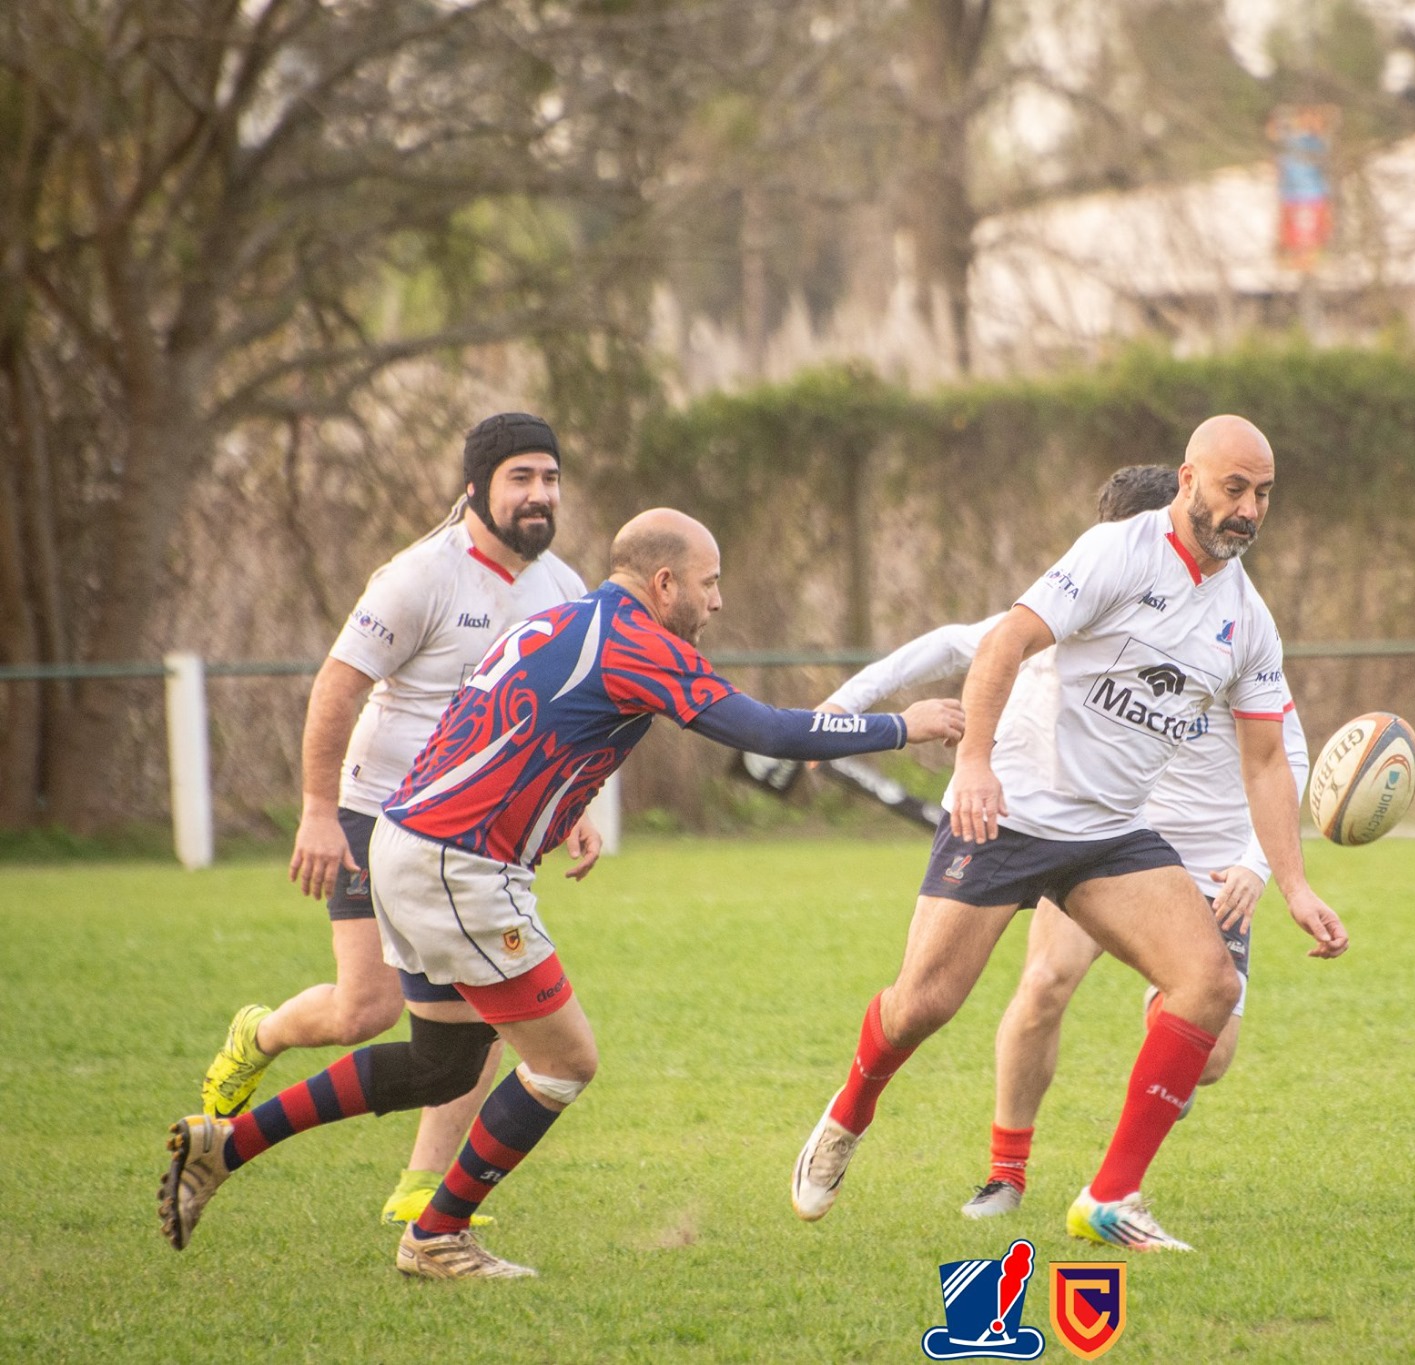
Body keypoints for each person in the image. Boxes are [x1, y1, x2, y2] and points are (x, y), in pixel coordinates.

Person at [159, 509, 966, 1279]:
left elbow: (511, 725)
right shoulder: (636, 641)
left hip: (409, 843)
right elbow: (771, 732)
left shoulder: (562, 619)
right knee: (564, 1060)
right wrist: (906, 724)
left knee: (442, 1064)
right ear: (663, 582)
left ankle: (225, 1145)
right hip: (458, 865)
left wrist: (562, 807)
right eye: (709, 582)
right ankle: (437, 1235)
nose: (718, 600)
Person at [790, 416, 1348, 1253]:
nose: (1249, 510)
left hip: (1113, 834)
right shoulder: (1118, 552)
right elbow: (1005, 638)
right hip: (1010, 810)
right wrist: (974, 762)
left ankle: (1110, 1196)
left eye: (1264, 494)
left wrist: (1289, 881)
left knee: (1208, 985)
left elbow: (1270, 758)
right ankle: (850, 1109)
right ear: (1190, 480)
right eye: (1235, 489)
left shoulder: (1247, 618)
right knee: (922, 1005)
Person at [197, 412, 598, 1226]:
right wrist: (317, 811)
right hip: (376, 815)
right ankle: (262, 1034)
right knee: (363, 1012)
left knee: (488, 1010)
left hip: (478, 837)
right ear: (476, 487)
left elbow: (561, 717)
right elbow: (338, 687)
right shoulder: (419, 577)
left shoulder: (565, 587)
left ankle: (420, 1185)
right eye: (521, 477)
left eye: (550, 478)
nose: (539, 495)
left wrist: (573, 808)